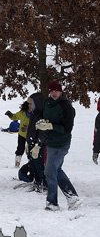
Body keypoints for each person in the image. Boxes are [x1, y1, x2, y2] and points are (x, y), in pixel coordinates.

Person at [38, 80, 81, 211]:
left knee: (49, 172)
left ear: (61, 91)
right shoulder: (47, 103)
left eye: (56, 90)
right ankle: (73, 198)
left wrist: (51, 126)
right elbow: (43, 118)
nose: (54, 93)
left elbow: (67, 128)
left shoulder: (66, 106)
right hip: (50, 142)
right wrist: (42, 125)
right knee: (56, 170)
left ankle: (52, 202)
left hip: (61, 143)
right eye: (51, 91)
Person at [5, 101, 31, 167]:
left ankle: (31, 164)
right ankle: (17, 164)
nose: (30, 106)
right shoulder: (22, 113)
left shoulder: (35, 114)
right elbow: (15, 117)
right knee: (20, 149)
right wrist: (10, 115)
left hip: (31, 135)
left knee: (30, 151)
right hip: (22, 134)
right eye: (29, 104)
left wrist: (28, 128)